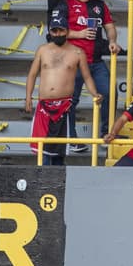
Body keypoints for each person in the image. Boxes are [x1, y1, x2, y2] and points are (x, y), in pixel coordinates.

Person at [53, 0, 118, 151]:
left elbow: (109, 27)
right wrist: (79, 33)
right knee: (69, 100)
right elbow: (55, 32)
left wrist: (112, 41)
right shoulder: (64, 5)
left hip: (95, 61)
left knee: (109, 92)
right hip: (71, 62)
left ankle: (106, 134)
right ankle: (71, 138)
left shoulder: (99, 5)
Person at [25, 10, 102, 165]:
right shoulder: (42, 50)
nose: (58, 34)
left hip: (64, 107)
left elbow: (87, 77)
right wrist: (28, 98)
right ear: (50, 31)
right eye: (54, 30)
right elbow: (32, 74)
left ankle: (58, 179)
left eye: (61, 30)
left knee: (59, 154)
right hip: (43, 106)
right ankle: (43, 179)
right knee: (42, 153)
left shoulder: (78, 52)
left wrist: (95, 94)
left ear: (67, 31)